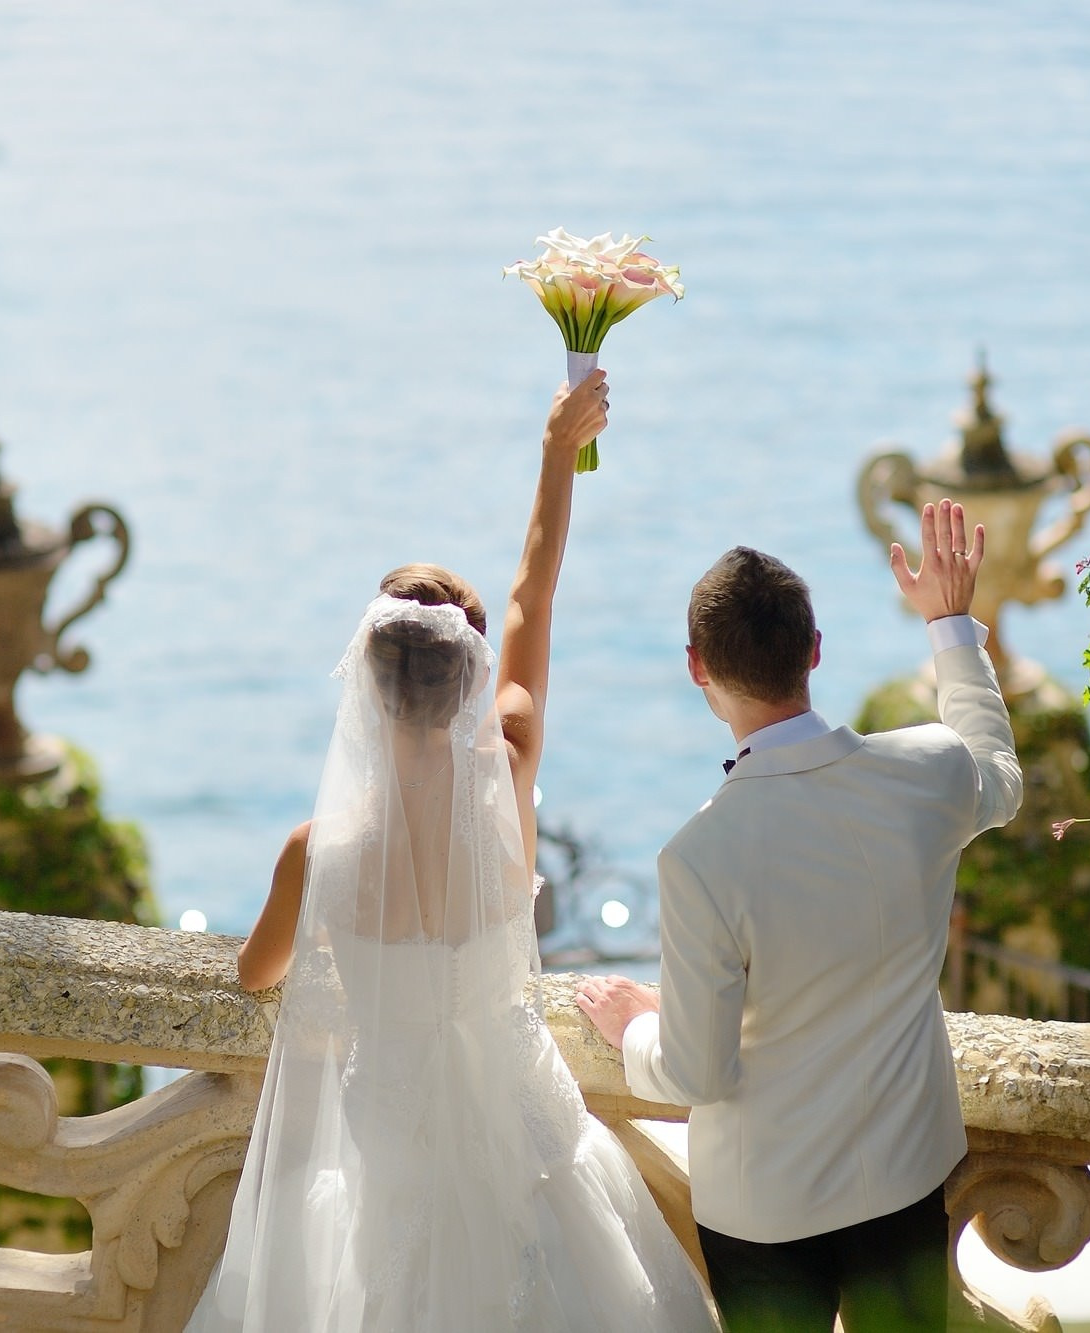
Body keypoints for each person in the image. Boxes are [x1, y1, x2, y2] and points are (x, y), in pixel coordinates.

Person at [186, 373, 716, 1333]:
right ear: (467, 676)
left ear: (368, 688)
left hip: (394, 1149)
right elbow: (533, 596)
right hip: (524, 1135)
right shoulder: (507, 770)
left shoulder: (319, 849)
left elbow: (255, 973)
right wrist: (559, 454)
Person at [578, 500, 1023, 1333]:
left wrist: (637, 1030)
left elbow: (697, 1073)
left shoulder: (699, 856)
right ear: (814, 651)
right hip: (905, 1176)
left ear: (695, 667)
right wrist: (952, 626)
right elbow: (999, 771)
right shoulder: (928, 769)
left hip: (764, 1210)